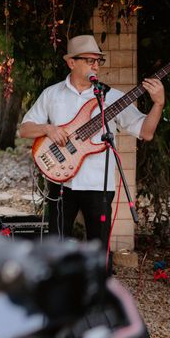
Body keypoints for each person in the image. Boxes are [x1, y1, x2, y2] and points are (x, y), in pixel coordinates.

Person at [19, 34, 165, 255]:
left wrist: (159, 103)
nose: (96, 65)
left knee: (99, 250)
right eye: (90, 60)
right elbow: (24, 129)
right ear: (71, 62)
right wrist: (48, 129)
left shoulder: (112, 97)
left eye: (98, 60)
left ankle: (98, 287)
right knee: (55, 246)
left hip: (98, 186)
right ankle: (58, 288)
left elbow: (146, 133)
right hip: (61, 183)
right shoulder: (52, 94)